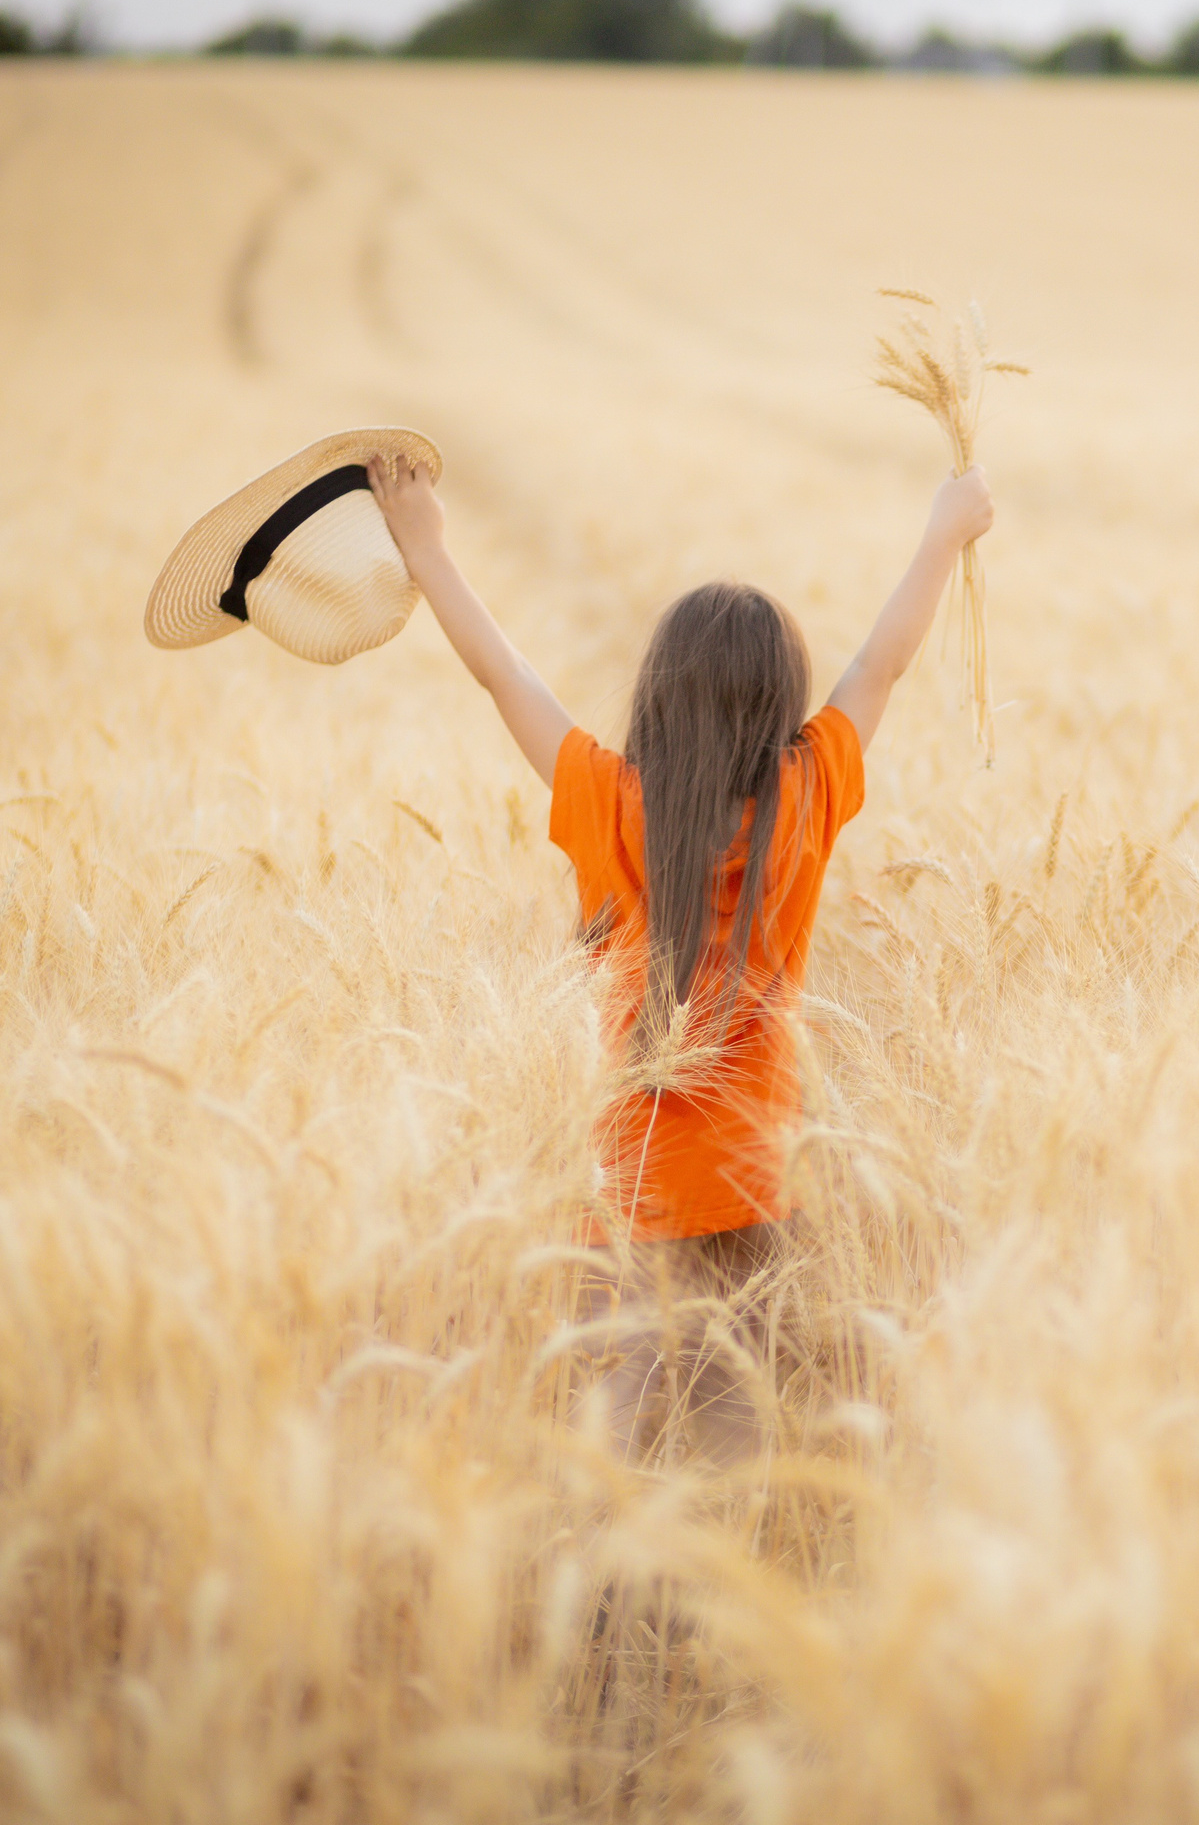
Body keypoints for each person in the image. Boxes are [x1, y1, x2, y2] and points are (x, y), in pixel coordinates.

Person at [365, 453, 995, 1460]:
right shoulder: (807, 793)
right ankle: (715, 1566)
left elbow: (504, 677)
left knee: (618, 1380)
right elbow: (880, 665)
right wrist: (944, 533)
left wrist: (427, 547)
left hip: (632, 1155)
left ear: (657, 693)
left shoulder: (610, 799)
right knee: (730, 1389)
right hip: (754, 1154)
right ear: (779, 702)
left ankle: (599, 1580)